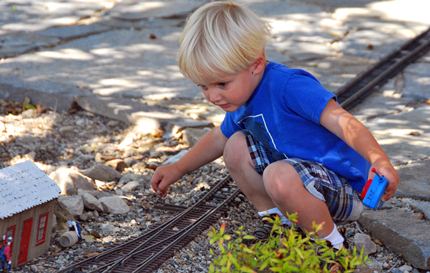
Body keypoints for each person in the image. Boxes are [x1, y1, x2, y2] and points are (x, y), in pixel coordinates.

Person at [151, 0, 399, 251]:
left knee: (277, 174)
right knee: (235, 145)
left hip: (344, 188)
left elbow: (344, 122)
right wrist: (179, 167)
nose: (213, 97)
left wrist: (378, 160)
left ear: (256, 65)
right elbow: (218, 138)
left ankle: (331, 246)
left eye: (222, 84)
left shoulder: (289, 86)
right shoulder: (241, 99)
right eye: (203, 87)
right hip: (298, 181)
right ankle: (278, 222)